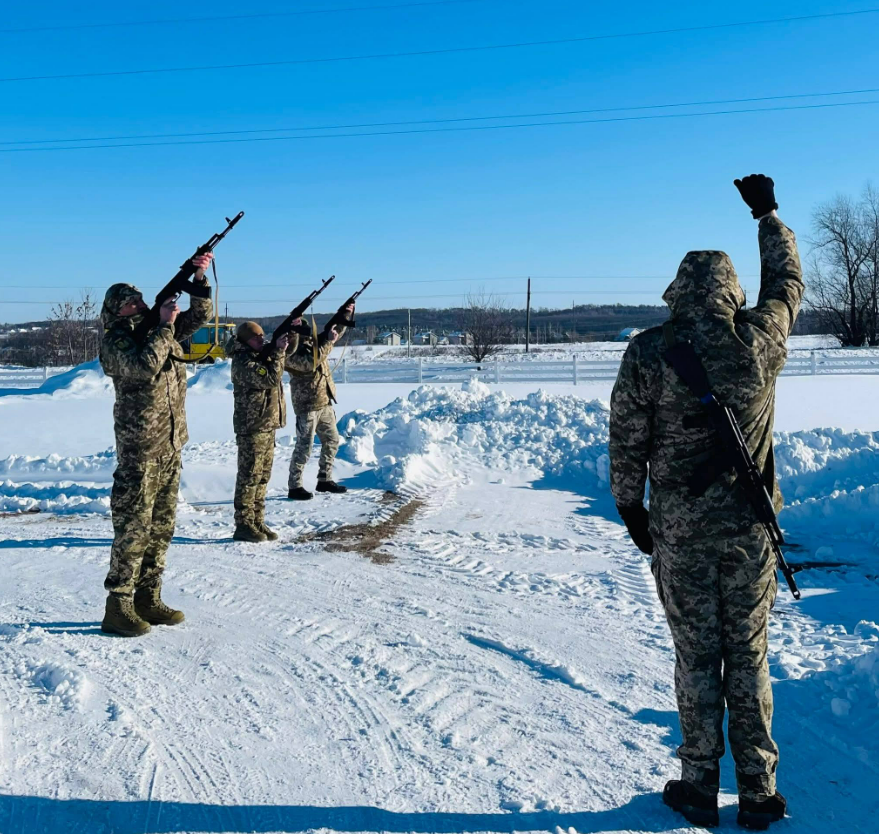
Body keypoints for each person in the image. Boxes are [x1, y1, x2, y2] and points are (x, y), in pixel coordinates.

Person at [609, 175, 802, 830]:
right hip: (749, 529)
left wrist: (630, 509)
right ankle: (758, 790)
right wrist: (767, 217)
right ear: (729, 293)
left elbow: (625, 441)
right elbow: (786, 287)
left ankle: (697, 785)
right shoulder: (760, 341)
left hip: (680, 532)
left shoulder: (647, 352)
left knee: (694, 655)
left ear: (675, 290)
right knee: (747, 653)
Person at [99, 253, 214, 637]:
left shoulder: (155, 330)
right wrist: (164, 327)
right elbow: (143, 367)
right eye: (131, 301)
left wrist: (198, 281)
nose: (141, 303)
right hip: (140, 449)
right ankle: (118, 606)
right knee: (133, 528)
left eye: (140, 298)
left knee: (162, 527)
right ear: (117, 310)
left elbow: (199, 320)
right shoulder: (117, 341)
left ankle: (148, 598)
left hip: (169, 444)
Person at [228, 321, 291, 542]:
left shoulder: (258, 356)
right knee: (249, 477)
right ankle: (243, 524)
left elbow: (279, 360)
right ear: (245, 340)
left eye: (263, 336)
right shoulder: (243, 362)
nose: (261, 340)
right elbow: (272, 378)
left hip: (266, 425)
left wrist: (285, 340)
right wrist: (279, 353)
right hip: (252, 427)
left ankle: (257, 520)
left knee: (263, 477)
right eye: (256, 337)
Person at [285, 305, 353, 500]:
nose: (306, 336)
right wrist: (328, 343)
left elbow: (333, 332)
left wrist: (345, 313)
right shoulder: (289, 352)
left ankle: (324, 479)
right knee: (304, 447)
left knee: (332, 440)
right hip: (307, 406)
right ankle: (295, 485)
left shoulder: (313, 344)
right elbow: (310, 363)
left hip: (324, 402)